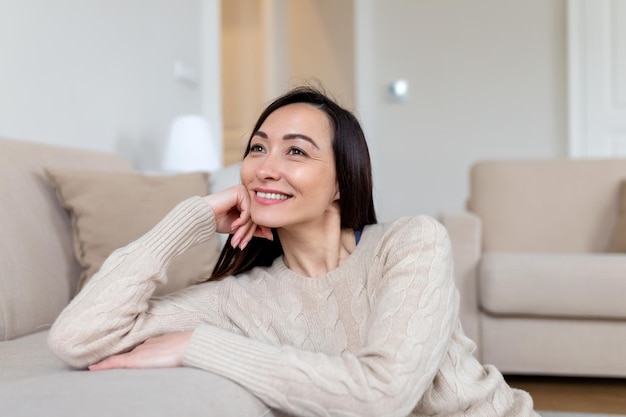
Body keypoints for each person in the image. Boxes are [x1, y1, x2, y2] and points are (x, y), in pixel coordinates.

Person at [49, 86, 539, 417]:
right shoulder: (238, 300)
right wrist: (190, 219)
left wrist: (199, 345)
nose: (265, 167)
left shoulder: (411, 242)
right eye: (258, 148)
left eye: (297, 151)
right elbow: (76, 338)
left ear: (341, 183)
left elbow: (385, 392)